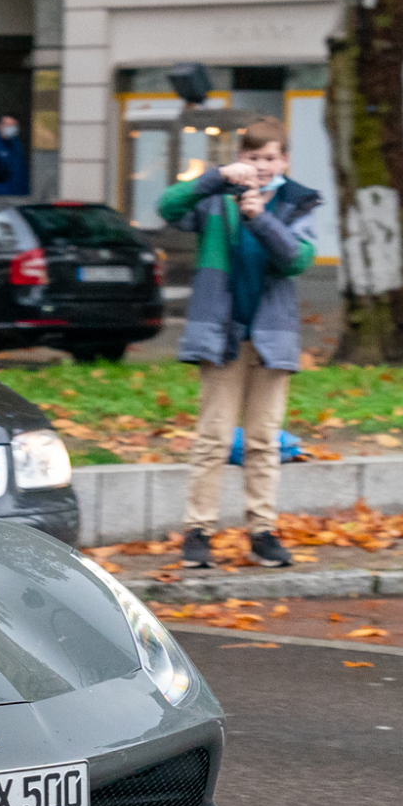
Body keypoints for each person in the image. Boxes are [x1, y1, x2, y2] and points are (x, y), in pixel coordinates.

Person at [158, 117, 321, 570]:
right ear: (239, 159)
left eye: (270, 157)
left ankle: (263, 531)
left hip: (272, 336)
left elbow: (295, 259)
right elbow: (168, 207)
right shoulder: (215, 200)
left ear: (284, 159)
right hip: (221, 333)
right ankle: (199, 531)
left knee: (264, 440)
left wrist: (261, 218)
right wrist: (215, 179)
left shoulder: (297, 202)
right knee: (212, 437)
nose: (262, 166)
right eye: (252, 158)